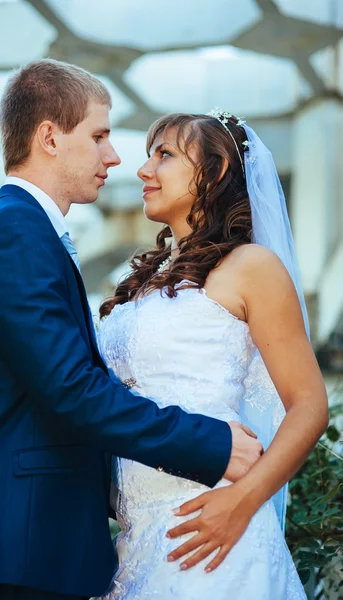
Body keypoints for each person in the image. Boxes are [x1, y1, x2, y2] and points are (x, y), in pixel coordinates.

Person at [0, 61, 261, 600]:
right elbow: (72, 390)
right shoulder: (14, 233)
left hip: (33, 544)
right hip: (10, 549)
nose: (115, 158)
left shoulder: (24, 230)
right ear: (49, 137)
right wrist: (210, 444)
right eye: (99, 136)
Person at [97, 110, 329, 599]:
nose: (144, 171)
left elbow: (309, 405)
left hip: (215, 534)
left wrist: (242, 503)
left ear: (216, 171)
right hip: (136, 542)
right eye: (147, 157)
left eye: (164, 155)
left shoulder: (252, 267)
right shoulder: (146, 280)